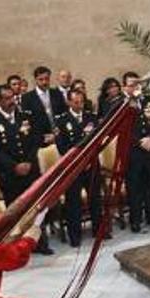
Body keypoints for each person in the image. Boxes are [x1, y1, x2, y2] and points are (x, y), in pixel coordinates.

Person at [0, 87, 53, 254]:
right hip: (9, 175)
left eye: (12, 97)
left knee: (36, 209)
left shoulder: (25, 116)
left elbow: (36, 140)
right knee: (15, 212)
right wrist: (14, 166)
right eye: (6, 98)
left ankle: (40, 243)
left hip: (31, 170)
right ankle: (17, 246)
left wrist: (28, 162)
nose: (11, 101)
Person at [53, 89, 99, 246]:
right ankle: (75, 235)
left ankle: (99, 229)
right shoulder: (61, 121)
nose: (80, 105)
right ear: (69, 102)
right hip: (73, 167)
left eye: (81, 101)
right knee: (73, 202)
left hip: (91, 164)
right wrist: (78, 160)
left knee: (95, 198)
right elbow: (62, 147)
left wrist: (89, 159)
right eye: (76, 102)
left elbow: (97, 140)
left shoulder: (91, 118)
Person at [124, 74, 150, 233]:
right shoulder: (121, 104)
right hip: (133, 152)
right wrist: (139, 141)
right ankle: (136, 219)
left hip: (149, 150)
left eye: (137, 84)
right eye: (131, 85)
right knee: (135, 187)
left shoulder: (147, 100)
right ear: (125, 87)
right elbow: (123, 130)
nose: (135, 87)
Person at [22, 65, 67, 143]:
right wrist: (42, 137)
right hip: (40, 138)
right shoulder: (27, 98)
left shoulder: (57, 94)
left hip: (59, 136)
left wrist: (59, 131)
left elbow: (64, 114)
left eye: (47, 79)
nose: (44, 82)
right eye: (41, 79)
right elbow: (28, 121)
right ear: (35, 80)